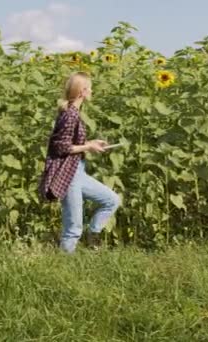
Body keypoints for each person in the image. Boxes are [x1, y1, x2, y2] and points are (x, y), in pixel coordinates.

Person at [38, 72, 121, 253]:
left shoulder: (72, 112)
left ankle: (93, 236)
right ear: (82, 91)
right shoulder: (70, 115)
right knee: (73, 227)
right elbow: (60, 147)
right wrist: (88, 147)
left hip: (78, 172)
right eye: (89, 87)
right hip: (68, 175)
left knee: (111, 200)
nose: (92, 91)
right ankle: (65, 269)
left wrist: (90, 143)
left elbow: (68, 142)